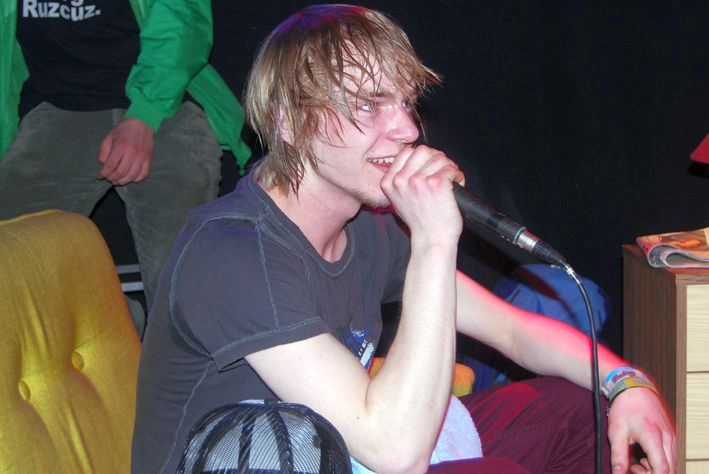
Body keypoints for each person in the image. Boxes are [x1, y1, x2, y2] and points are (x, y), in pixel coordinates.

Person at [131, 4, 675, 473]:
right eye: (369, 105)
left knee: (577, 412)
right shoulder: (231, 253)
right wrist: (435, 240)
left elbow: (513, 330)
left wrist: (628, 382)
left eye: (404, 102)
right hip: (265, 458)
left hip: (348, 449)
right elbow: (396, 452)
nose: (408, 130)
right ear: (288, 123)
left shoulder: (369, 228)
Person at [0, 0, 251, 313]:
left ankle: (175, 336)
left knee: (177, 280)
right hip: (56, 107)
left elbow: (182, 23)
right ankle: (116, 325)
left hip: (163, 104)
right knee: (11, 261)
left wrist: (144, 117)